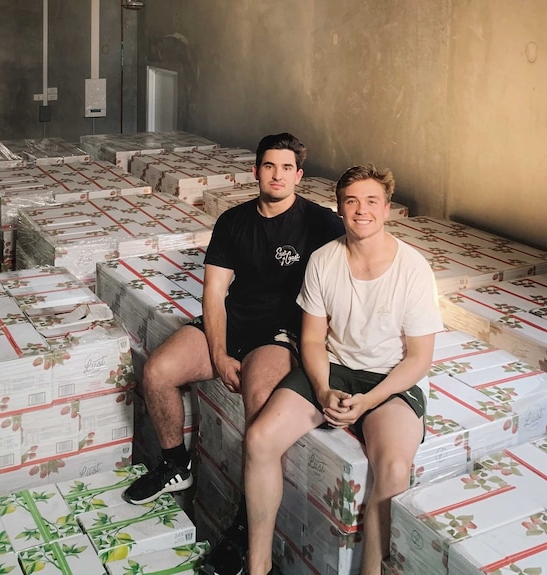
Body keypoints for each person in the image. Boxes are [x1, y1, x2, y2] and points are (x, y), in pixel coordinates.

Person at [122, 132, 345, 575]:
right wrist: (220, 354)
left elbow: (358, 263)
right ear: (256, 170)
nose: (277, 175)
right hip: (233, 320)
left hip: (278, 332)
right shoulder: (233, 221)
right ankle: (174, 462)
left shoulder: (321, 223)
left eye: (286, 168)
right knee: (159, 372)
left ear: (299, 176)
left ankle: (245, 526)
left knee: (259, 403)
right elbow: (215, 293)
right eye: (269, 166)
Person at [242, 165, 444, 575]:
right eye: (351, 202)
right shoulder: (323, 260)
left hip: (387, 381)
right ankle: (259, 566)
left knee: (391, 469)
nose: (361, 210)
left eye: (372, 201)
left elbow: (419, 358)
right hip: (332, 368)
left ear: (387, 209)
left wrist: (369, 400)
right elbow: (313, 340)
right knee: (260, 439)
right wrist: (322, 389)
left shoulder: (414, 269)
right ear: (339, 209)